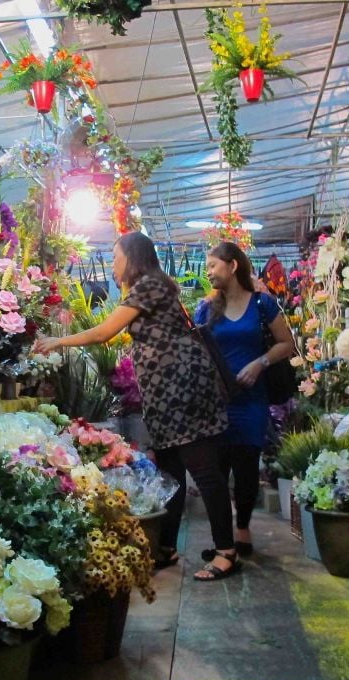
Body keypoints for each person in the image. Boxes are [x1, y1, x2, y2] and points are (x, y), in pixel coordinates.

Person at [35, 232, 242, 582]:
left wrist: (58, 341)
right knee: (173, 472)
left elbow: (104, 332)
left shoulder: (148, 285)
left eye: (116, 257)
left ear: (134, 257)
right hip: (167, 395)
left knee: (203, 469)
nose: (114, 264)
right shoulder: (152, 286)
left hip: (183, 393)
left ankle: (227, 551)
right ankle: (165, 546)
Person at [194, 242, 295, 559]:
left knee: (248, 466)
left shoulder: (263, 304)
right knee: (216, 470)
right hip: (216, 401)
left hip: (251, 400)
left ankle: (243, 529)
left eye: (213, 265)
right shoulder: (206, 309)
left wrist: (260, 363)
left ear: (233, 265)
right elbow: (196, 352)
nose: (208, 272)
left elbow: (287, 344)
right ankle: (222, 538)